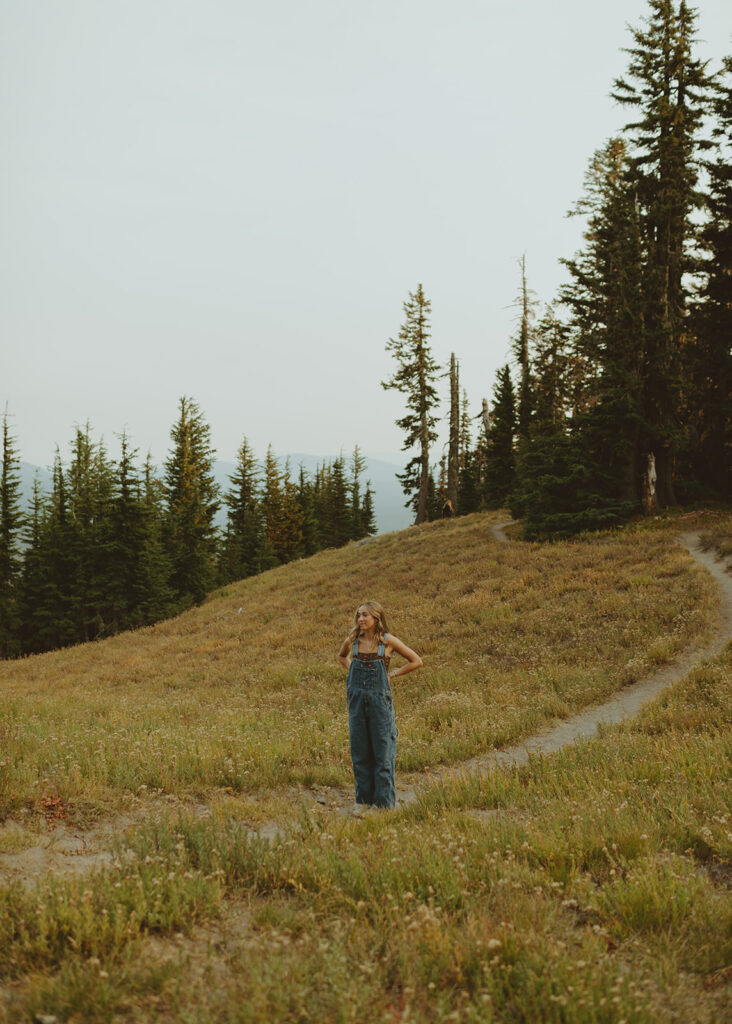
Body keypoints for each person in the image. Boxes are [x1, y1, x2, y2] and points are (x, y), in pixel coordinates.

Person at [337, 601, 423, 810]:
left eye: (365, 615)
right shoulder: (353, 640)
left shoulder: (388, 641)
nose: (360, 619)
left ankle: (384, 807)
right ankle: (363, 803)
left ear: (376, 617)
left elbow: (416, 661)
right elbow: (341, 656)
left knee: (383, 752)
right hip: (356, 702)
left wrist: (392, 674)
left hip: (379, 704)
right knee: (360, 752)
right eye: (358, 615)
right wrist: (352, 674)